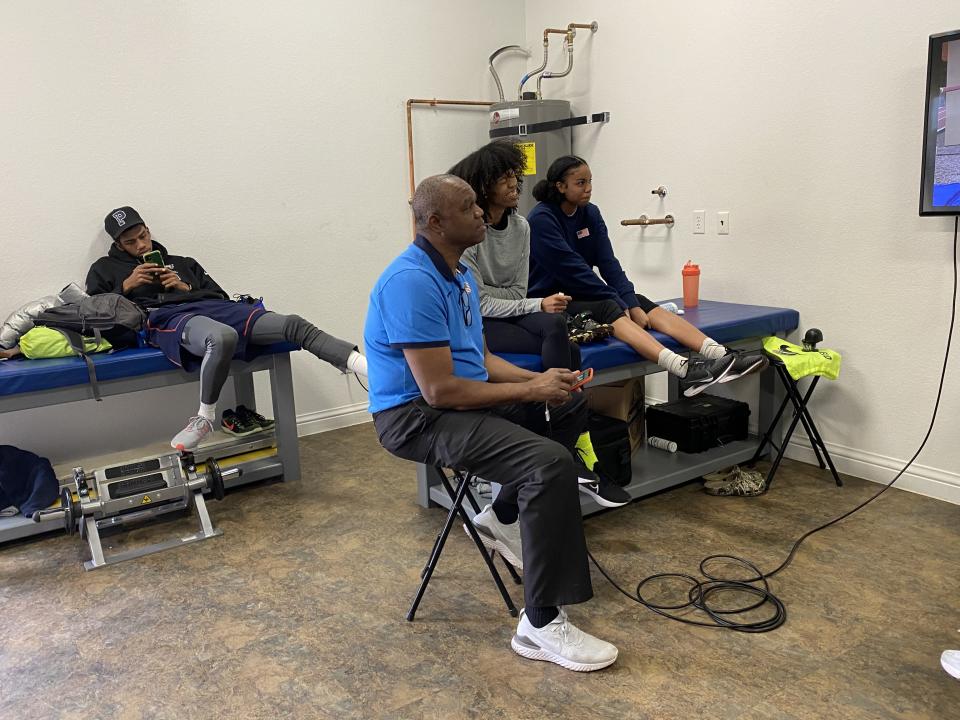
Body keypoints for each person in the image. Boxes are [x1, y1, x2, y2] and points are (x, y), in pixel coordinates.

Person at [364, 174, 618, 672]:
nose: (481, 212)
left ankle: (500, 518)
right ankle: (540, 626)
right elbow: (440, 390)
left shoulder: (459, 275)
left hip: (452, 400)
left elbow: (478, 359)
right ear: (435, 222)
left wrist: (542, 379)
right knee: (548, 464)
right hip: (415, 416)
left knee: (565, 406)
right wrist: (529, 389)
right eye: (468, 207)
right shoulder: (411, 282)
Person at [86, 206, 367, 450]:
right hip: (167, 317)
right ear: (120, 245)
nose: (141, 245)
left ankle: (371, 369)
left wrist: (184, 286)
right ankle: (205, 418)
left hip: (212, 307)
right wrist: (126, 287)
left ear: (148, 230)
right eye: (131, 242)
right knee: (221, 337)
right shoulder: (104, 269)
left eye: (143, 236)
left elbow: (219, 296)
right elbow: (96, 315)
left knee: (292, 323)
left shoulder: (184, 263)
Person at [449, 141, 627, 508]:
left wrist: (530, 303)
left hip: (515, 310)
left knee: (556, 329)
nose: (515, 183)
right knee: (567, 345)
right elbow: (479, 302)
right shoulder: (471, 233)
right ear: (484, 186)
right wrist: (534, 303)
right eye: (504, 177)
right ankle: (565, 444)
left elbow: (517, 288)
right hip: (481, 321)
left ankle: (558, 439)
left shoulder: (521, 227)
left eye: (515, 175)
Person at [527, 156, 766, 396]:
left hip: (582, 291)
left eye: (590, 181)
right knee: (609, 306)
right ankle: (684, 370)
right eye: (580, 183)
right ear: (560, 186)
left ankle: (722, 356)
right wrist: (620, 304)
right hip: (551, 300)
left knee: (639, 300)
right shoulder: (542, 219)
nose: (588, 188)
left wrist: (630, 301)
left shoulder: (590, 213)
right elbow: (574, 270)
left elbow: (609, 264)